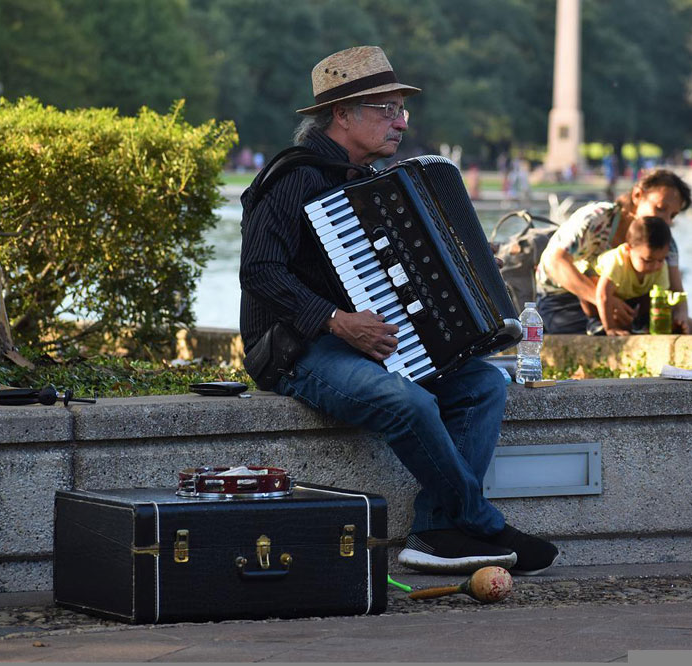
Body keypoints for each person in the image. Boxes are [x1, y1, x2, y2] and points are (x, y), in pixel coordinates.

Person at [238, 46, 558, 576]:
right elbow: (260, 272)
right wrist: (337, 321)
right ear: (341, 114)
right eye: (386, 109)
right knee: (406, 401)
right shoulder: (294, 176)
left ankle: (435, 533)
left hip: (364, 342)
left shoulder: (371, 180)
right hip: (297, 349)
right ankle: (478, 522)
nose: (401, 122)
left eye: (401, 109)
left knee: (482, 385)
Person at [535, 168, 692, 335]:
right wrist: (603, 300)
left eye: (672, 215)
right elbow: (554, 263)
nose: (666, 220)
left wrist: (680, 315)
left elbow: (676, 290)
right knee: (615, 337)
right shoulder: (597, 218)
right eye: (660, 208)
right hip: (564, 300)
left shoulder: (664, 241)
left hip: (625, 304)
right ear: (637, 195)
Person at [582, 216, 672, 336]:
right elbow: (603, 295)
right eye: (648, 260)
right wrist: (610, 328)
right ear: (628, 249)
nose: (655, 266)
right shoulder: (617, 262)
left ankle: (642, 323)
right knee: (592, 281)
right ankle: (595, 321)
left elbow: (663, 297)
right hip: (598, 292)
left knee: (654, 295)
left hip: (627, 294)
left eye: (661, 259)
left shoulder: (661, 266)